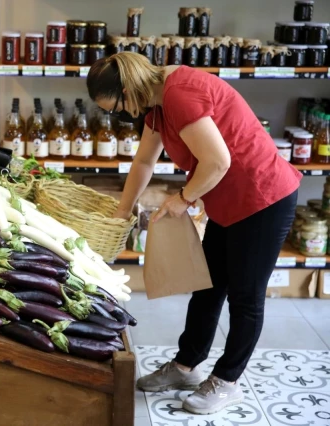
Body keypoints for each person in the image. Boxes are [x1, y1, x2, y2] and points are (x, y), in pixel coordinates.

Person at [86, 52, 301, 415]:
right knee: (207, 286)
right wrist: (121, 213)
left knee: (245, 297)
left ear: (127, 90)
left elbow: (218, 161)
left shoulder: (179, 94)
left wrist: (182, 199)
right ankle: (186, 366)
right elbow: (143, 161)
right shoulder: (155, 102)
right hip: (227, 200)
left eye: (116, 108)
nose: (120, 116)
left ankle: (228, 381)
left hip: (263, 197)